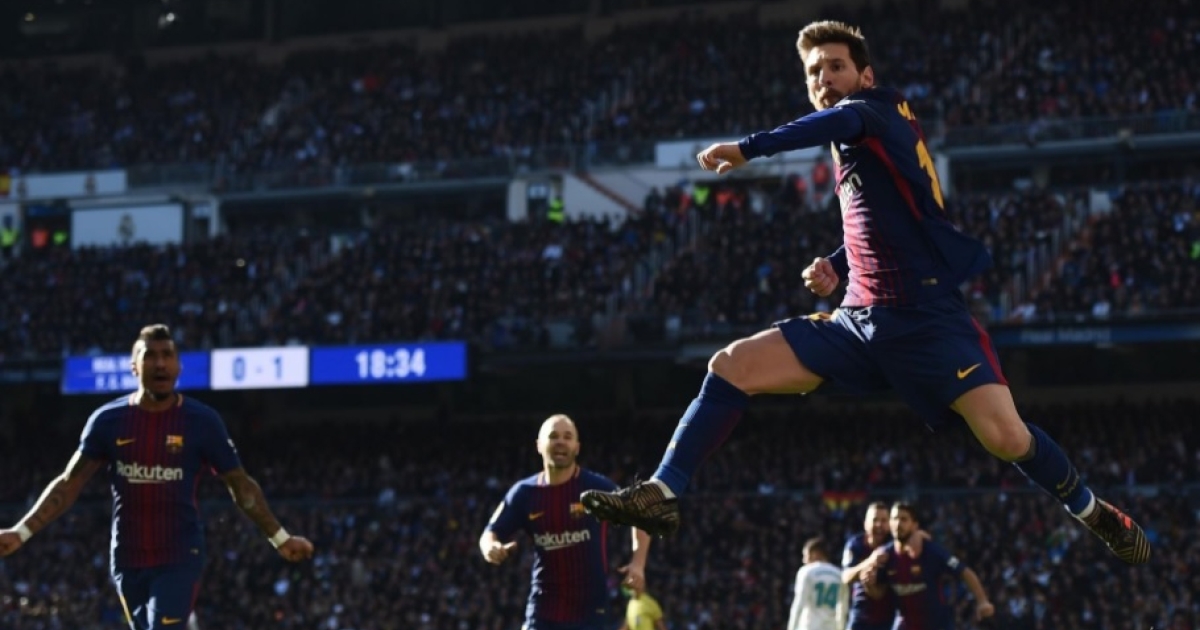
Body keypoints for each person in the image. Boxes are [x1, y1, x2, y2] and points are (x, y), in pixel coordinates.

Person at [580, 19, 1149, 567]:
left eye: (836, 66)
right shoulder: (856, 139)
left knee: (1007, 437)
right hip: (859, 323)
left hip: (928, 322)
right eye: (814, 71)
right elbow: (886, 220)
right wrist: (836, 264)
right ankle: (664, 490)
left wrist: (748, 148)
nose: (824, 79)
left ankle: (1093, 511)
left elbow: (832, 127)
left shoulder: (873, 110)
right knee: (730, 366)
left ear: (865, 76)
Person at [0, 324, 314, 629]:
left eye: (167, 355)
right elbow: (69, 484)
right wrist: (21, 532)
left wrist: (280, 538)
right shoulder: (108, 421)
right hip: (128, 558)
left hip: (179, 556)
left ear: (178, 366)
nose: (160, 363)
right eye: (150, 355)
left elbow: (240, 485)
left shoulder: (202, 422)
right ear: (134, 367)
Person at [480, 414, 652, 630]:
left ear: (577, 447)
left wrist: (638, 563)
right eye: (553, 436)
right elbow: (489, 534)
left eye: (567, 437)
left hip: (590, 614)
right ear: (539, 445)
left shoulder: (596, 489)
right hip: (543, 610)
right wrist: (491, 548)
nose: (560, 441)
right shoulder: (524, 493)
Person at [862, 502, 994, 629]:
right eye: (895, 519)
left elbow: (964, 572)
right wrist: (868, 585)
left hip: (937, 625)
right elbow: (879, 594)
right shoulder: (884, 556)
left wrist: (982, 601)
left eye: (904, 519)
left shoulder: (931, 551)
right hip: (905, 625)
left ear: (914, 525)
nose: (898, 523)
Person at [841, 502, 896, 630]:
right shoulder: (855, 544)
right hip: (861, 616)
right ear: (865, 524)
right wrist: (870, 561)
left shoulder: (895, 546)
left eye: (884, 521)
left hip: (889, 618)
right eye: (875, 520)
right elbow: (845, 577)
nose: (879, 525)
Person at [788, 536, 846, 630]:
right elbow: (843, 609)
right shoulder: (840, 575)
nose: (804, 560)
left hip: (810, 626)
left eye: (805, 556)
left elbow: (799, 604)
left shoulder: (806, 571)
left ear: (815, 553)